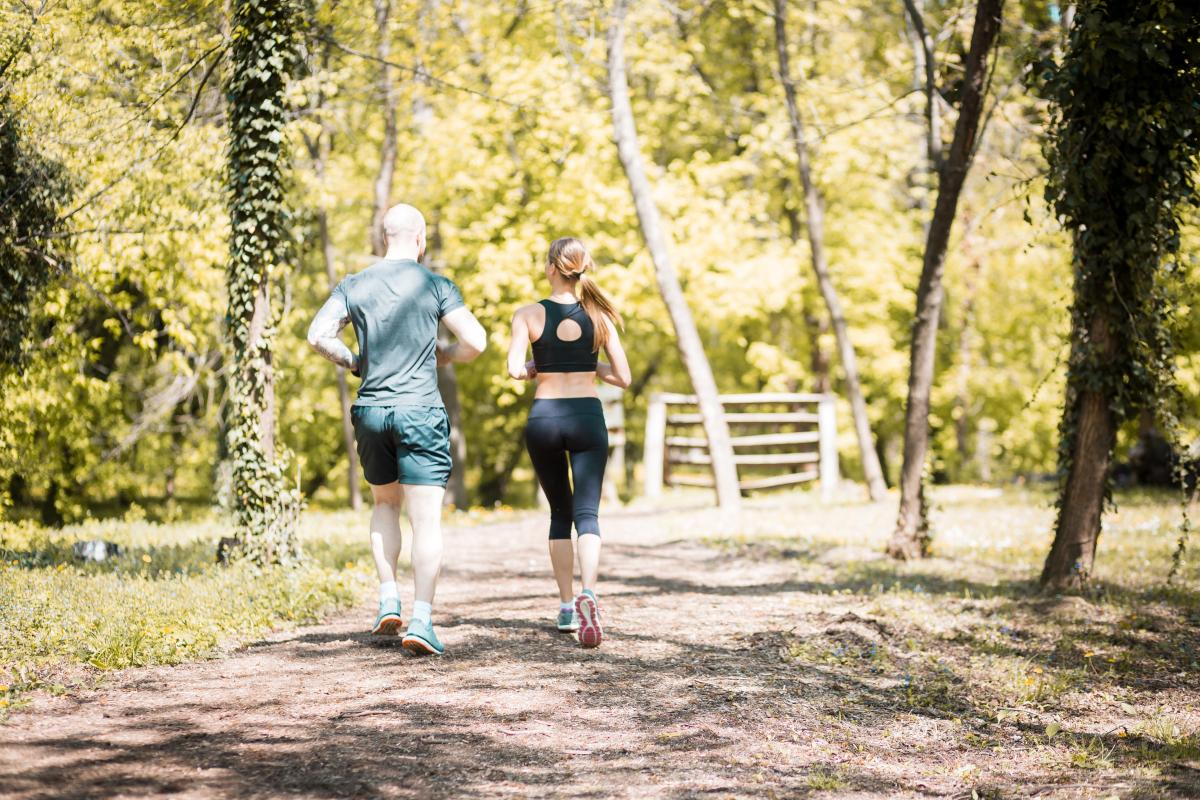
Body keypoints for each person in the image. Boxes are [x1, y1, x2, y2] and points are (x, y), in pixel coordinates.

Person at [307, 203, 486, 656]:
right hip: (420, 410)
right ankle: (421, 620)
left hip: (371, 409)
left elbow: (318, 334)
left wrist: (355, 361)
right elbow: (477, 342)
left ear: (385, 237)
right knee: (425, 518)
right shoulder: (435, 284)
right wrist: (442, 354)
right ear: (420, 239)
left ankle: (389, 597)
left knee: (384, 503)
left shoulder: (355, 284)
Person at [507, 237, 631, 648]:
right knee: (588, 515)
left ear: (550, 269)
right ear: (581, 270)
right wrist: (589, 365)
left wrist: (534, 366)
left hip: (544, 418)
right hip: (586, 417)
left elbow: (513, 370)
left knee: (559, 513)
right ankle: (588, 593)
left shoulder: (527, 314)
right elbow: (623, 378)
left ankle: (564, 606)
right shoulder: (600, 318)